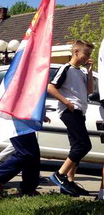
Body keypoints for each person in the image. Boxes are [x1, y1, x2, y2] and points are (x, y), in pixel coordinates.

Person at [47, 40, 94, 196]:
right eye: (86, 53)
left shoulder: (80, 71)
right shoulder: (65, 68)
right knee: (83, 145)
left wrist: (90, 71)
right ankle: (59, 175)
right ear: (75, 52)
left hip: (80, 111)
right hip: (69, 111)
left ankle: (69, 183)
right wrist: (67, 103)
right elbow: (51, 87)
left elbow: (89, 90)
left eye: (89, 54)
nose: (87, 57)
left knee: (76, 147)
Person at [0, 117, 50, 198]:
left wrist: (39, 113)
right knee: (26, 154)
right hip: (18, 119)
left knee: (33, 155)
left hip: (25, 120)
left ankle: (29, 190)